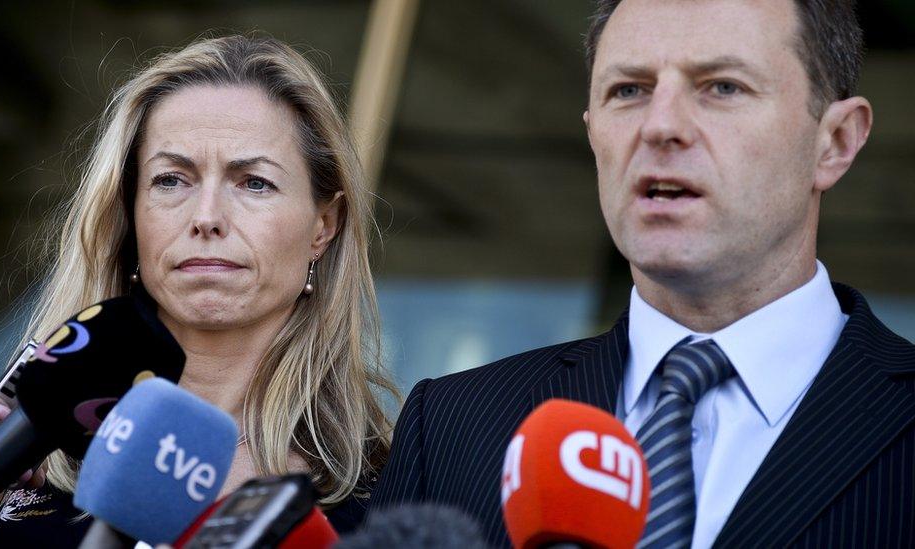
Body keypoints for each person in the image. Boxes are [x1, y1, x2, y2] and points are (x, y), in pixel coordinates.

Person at [371, 0, 913, 547]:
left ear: (836, 141)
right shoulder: (451, 427)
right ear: (592, 132)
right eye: (629, 90)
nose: (660, 126)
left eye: (722, 87)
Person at [0, 34, 399, 548]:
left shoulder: (387, 493)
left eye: (254, 183)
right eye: (171, 180)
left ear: (323, 225)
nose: (206, 218)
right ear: (130, 215)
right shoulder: (19, 456)